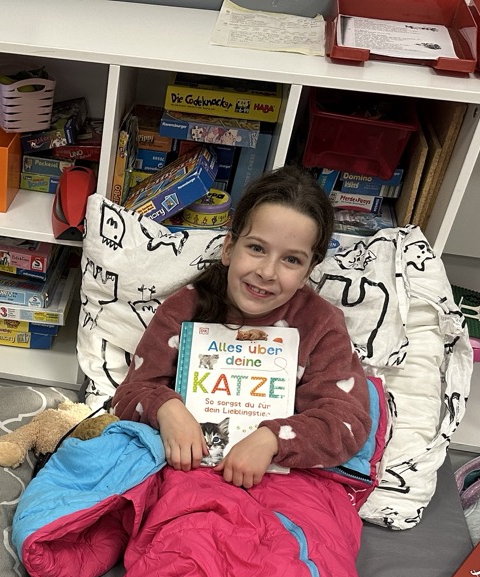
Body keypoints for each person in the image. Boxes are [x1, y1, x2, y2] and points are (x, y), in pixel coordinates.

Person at [113, 165, 371, 489]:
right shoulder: (183, 310)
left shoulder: (321, 325)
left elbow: (348, 422)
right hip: (185, 475)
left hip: (278, 484)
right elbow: (128, 396)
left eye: (291, 260)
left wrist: (272, 440)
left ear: (308, 272)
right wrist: (166, 408)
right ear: (228, 248)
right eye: (257, 248)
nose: (267, 272)